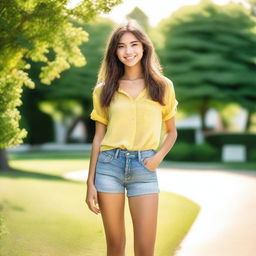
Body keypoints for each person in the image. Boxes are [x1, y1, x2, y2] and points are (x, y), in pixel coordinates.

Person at [85, 19, 178, 256]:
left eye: (134, 44)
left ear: (144, 47)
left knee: (145, 250)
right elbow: (98, 138)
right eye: (121, 46)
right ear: (114, 52)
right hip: (108, 167)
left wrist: (157, 158)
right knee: (115, 246)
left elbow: (172, 131)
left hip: (145, 168)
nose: (128, 51)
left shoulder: (162, 86)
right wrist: (90, 183)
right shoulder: (103, 89)